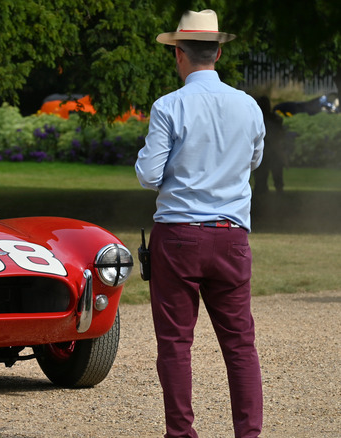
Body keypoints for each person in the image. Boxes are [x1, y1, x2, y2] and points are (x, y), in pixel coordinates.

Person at [134, 10, 265, 438]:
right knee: (240, 344)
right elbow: (254, 161)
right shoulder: (248, 105)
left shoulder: (169, 106)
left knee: (175, 343)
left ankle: (182, 433)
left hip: (179, 235)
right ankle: (248, 433)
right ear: (218, 52)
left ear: (178, 54)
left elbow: (149, 175)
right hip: (231, 236)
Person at [253, 96, 287, 195]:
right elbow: (281, 136)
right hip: (272, 151)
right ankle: (275, 199)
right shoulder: (276, 119)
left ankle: (262, 201)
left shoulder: (258, 119)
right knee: (275, 179)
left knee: (262, 181)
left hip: (265, 152)